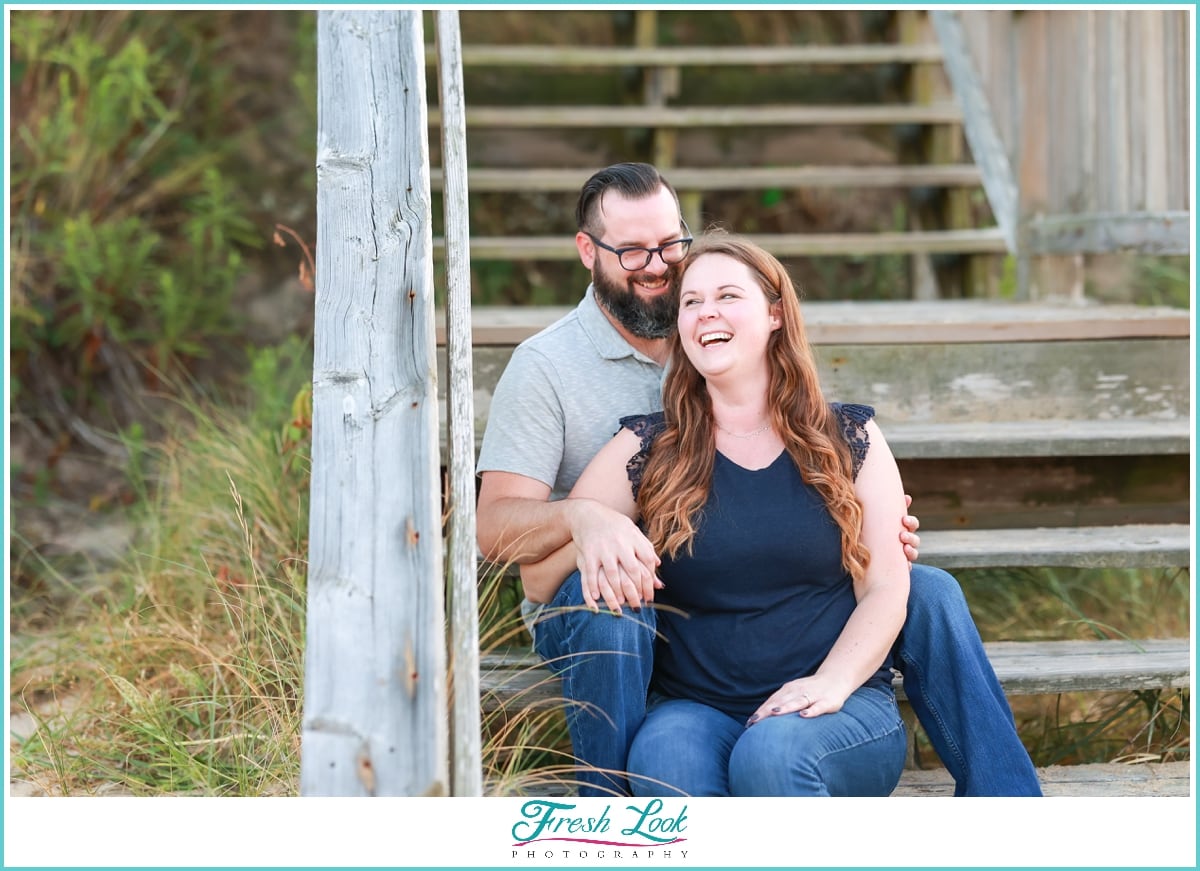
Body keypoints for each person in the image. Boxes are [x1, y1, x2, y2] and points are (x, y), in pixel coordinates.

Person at [476, 162, 1041, 797]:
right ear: (590, 251)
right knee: (646, 697)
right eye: (635, 252)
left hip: (798, 639)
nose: (661, 268)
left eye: (671, 248)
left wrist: (862, 524)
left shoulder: (836, 432)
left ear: (773, 314)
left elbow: (880, 578)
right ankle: (608, 814)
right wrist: (593, 523)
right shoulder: (599, 404)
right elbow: (510, 544)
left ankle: (1009, 808)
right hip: (621, 606)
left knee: (923, 590)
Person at [522, 233, 911, 795]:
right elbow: (535, 578)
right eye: (691, 302)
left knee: (770, 760)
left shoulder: (849, 438)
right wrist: (591, 520)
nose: (707, 313)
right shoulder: (648, 448)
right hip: (695, 710)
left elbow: (886, 589)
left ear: (775, 314)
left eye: (728, 296)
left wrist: (832, 682)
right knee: (663, 765)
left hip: (834, 706)